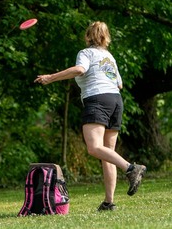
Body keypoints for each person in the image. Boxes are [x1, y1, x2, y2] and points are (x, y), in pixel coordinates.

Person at [34, 21, 146, 211]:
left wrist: (51, 77)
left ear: (87, 37)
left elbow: (80, 70)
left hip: (98, 99)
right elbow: (119, 84)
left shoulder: (85, 53)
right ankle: (109, 203)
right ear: (106, 37)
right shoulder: (109, 57)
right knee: (107, 153)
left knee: (94, 148)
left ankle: (130, 168)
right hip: (115, 100)